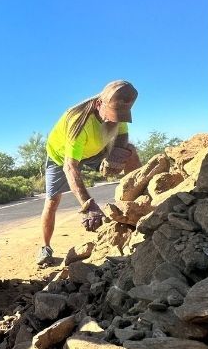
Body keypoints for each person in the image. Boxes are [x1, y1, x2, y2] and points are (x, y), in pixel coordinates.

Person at [36, 80, 141, 267]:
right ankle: (45, 248)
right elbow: (70, 167)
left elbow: (123, 134)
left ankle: (137, 207)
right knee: (52, 201)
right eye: (111, 115)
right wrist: (88, 205)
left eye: (118, 117)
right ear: (100, 103)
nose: (113, 120)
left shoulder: (118, 112)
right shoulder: (78, 121)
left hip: (94, 150)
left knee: (130, 152)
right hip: (61, 157)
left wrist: (117, 153)